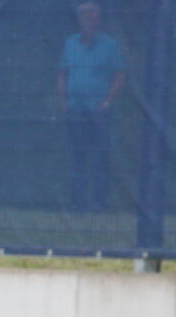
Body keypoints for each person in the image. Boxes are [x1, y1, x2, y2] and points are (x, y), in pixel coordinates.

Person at [58, 1, 125, 212]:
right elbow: (62, 73)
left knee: (100, 157)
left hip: (99, 110)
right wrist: (64, 101)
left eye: (94, 16)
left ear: (99, 20)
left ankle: (99, 204)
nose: (90, 20)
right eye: (86, 16)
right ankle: (78, 204)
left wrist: (107, 101)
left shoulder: (110, 45)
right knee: (78, 157)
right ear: (80, 20)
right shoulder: (70, 43)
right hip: (75, 108)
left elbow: (120, 74)